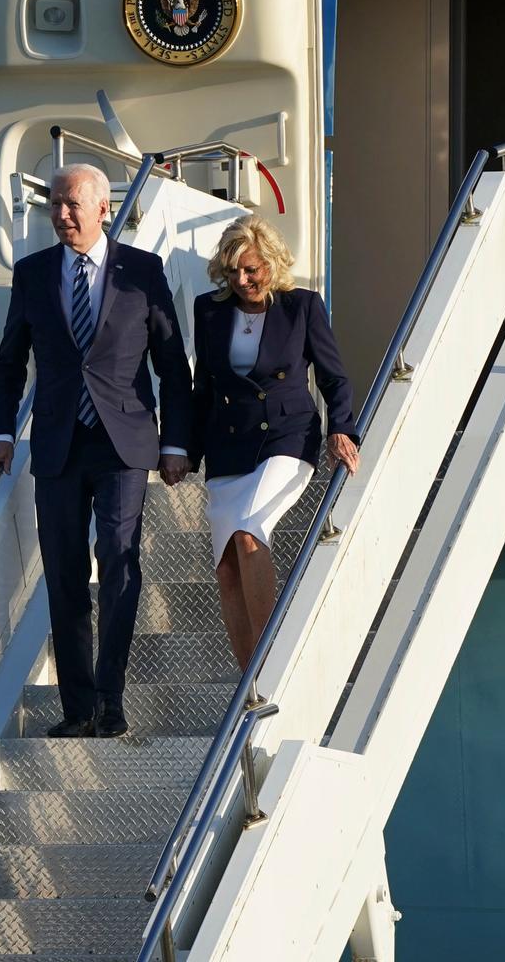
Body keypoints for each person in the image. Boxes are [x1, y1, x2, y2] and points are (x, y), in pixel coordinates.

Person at [0, 162, 192, 739]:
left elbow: (172, 365)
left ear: (105, 208)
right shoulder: (32, 274)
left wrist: (175, 443)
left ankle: (111, 699)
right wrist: (2, 433)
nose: (61, 214)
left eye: (73, 204)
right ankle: (77, 709)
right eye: (54, 204)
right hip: (56, 444)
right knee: (65, 575)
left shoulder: (142, 272)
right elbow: (9, 364)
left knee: (120, 564)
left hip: (123, 442)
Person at [187, 216, 359, 670]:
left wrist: (341, 427)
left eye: (251, 270)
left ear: (272, 264)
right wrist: (184, 449)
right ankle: (250, 683)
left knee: (249, 531)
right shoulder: (209, 310)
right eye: (233, 271)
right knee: (226, 570)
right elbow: (202, 387)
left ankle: (273, 661)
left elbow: (334, 377)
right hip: (229, 446)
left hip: (286, 437)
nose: (242, 280)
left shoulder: (301, 306)